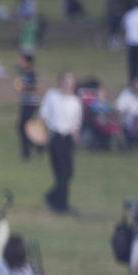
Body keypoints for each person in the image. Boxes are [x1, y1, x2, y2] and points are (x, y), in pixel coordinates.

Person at [39, 72, 83, 214]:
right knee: (61, 173)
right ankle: (62, 205)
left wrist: (76, 138)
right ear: (60, 83)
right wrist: (41, 133)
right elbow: (43, 115)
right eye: (66, 83)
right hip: (56, 137)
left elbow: (76, 123)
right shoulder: (52, 96)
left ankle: (52, 196)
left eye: (71, 83)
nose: (69, 86)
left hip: (67, 139)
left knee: (68, 173)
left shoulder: (76, 102)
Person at [14, 52, 40, 160]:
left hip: (30, 104)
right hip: (25, 103)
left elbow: (36, 87)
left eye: (22, 60)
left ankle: (28, 151)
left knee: (23, 127)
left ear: (28, 62)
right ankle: (35, 147)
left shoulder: (32, 73)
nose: (20, 62)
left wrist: (23, 88)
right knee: (26, 127)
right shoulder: (23, 73)